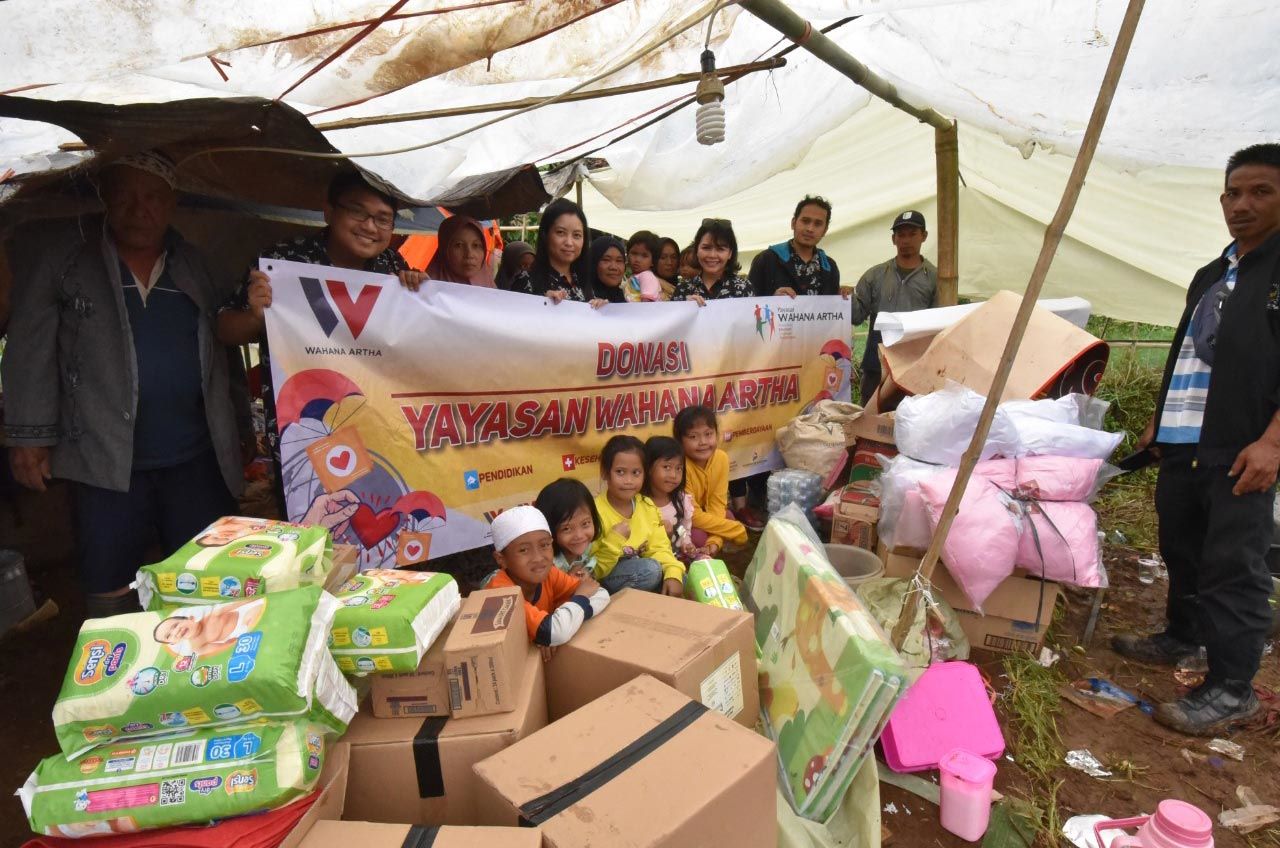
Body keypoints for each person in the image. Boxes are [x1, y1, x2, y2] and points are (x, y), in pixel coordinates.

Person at [3, 151, 243, 618]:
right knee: (110, 580)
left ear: (172, 203)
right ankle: (116, 673)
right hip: (104, 459)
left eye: (153, 197)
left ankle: (197, 675)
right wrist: (27, 438)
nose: (140, 209)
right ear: (104, 199)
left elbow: (224, 353)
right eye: (125, 196)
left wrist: (240, 433)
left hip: (193, 457)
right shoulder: (67, 259)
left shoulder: (192, 264)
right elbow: (29, 347)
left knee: (203, 575)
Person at [1111, 144, 1280, 736]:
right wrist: (1161, 418)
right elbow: (1187, 351)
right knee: (1181, 546)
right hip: (1186, 438)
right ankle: (1183, 635)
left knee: (1234, 564)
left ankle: (1234, 689)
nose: (1243, 204)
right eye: (1234, 193)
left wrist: (1274, 442)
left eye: (1261, 192)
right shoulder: (1213, 273)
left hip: (1241, 444)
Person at [215, 172, 426, 509]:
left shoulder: (391, 266)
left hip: (379, 428)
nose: (370, 227)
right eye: (359, 212)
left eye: (382, 219)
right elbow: (224, 329)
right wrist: (255, 316)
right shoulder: (283, 263)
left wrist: (419, 291)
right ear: (329, 212)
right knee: (319, 521)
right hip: (308, 428)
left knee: (376, 514)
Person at [485, 505, 610, 657]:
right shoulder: (500, 592)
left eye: (544, 545)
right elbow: (556, 632)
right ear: (501, 559)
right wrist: (579, 600)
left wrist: (556, 624)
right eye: (523, 550)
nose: (538, 558)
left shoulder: (550, 573)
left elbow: (601, 593)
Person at [845, 210, 938, 404]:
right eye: (901, 235)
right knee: (869, 423)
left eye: (912, 234)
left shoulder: (936, 278)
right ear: (893, 239)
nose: (906, 240)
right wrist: (845, 299)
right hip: (876, 364)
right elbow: (856, 315)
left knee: (909, 421)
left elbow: (940, 325)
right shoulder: (875, 275)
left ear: (924, 236)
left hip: (915, 364)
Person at [592, 435, 686, 596]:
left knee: (678, 577)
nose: (629, 480)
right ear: (605, 473)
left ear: (645, 474)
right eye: (620, 472)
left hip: (643, 569)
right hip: (605, 577)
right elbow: (592, 568)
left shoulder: (647, 506)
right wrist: (615, 540)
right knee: (650, 570)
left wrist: (673, 573)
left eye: (636, 473)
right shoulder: (594, 512)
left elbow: (660, 547)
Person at [674, 405, 748, 556]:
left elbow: (718, 504)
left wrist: (715, 541)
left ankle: (712, 550)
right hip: (682, 519)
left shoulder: (721, 458)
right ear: (680, 441)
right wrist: (735, 529)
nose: (703, 442)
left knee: (728, 517)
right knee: (699, 537)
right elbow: (691, 515)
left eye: (708, 434)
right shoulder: (679, 465)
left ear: (716, 434)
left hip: (708, 515)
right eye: (693, 437)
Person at [512, 198, 601, 305]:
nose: (569, 242)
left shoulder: (583, 281)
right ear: (545, 234)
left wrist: (598, 309)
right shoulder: (527, 280)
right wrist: (542, 303)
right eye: (560, 232)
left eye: (577, 235)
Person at [749, 195, 841, 298]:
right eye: (805, 221)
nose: (810, 229)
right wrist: (772, 301)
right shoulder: (766, 259)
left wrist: (843, 297)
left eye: (818, 224)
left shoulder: (830, 267)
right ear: (793, 223)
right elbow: (747, 305)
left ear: (825, 230)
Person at [672, 218, 753, 304]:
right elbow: (672, 316)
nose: (712, 255)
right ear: (696, 250)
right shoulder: (683, 288)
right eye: (706, 248)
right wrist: (683, 308)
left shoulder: (743, 287)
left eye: (720, 249)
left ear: (730, 253)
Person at [644, 436, 699, 562]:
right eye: (667, 467)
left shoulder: (681, 501)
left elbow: (681, 528)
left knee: (703, 560)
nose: (674, 475)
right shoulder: (639, 504)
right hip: (651, 562)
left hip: (677, 556)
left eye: (679, 468)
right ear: (648, 468)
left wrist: (686, 542)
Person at [534, 477, 602, 577]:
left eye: (585, 524)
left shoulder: (592, 547)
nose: (579, 535)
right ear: (550, 530)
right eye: (566, 529)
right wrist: (568, 581)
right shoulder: (547, 565)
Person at [425, 214, 495, 286]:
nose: (469, 255)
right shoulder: (424, 290)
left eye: (476, 245)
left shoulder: (492, 289)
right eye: (459, 245)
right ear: (444, 251)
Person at [586, 234, 629, 304]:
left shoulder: (628, 299)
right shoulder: (581, 298)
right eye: (606, 260)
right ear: (593, 263)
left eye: (619, 260)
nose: (614, 267)